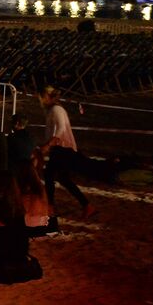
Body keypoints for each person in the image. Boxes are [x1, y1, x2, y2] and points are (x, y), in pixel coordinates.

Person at [39, 86, 92, 229]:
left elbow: (60, 129)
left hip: (63, 149)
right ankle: (86, 205)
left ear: (48, 96)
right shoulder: (52, 110)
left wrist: (48, 145)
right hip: (59, 148)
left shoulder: (57, 110)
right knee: (63, 179)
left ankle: (51, 207)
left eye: (42, 96)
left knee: (50, 175)